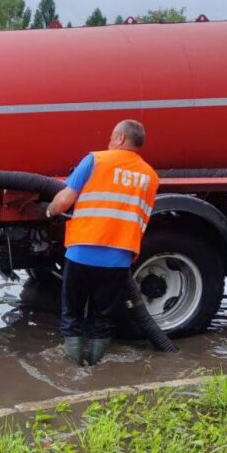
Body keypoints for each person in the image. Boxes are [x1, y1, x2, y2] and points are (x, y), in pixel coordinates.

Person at [46, 119, 158, 366]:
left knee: (72, 313)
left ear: (119, 138)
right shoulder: (150, 176)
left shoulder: (96, 160)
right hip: (118, 258)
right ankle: (95, 368)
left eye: (110, 137)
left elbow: (65, 199)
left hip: (81, 253)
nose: (108, 142)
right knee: (103, 316)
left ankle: (73, 368)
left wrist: (50, 211)